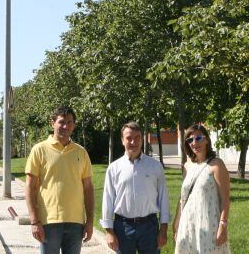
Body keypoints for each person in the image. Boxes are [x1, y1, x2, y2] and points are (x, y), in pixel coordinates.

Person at [26, 106, 95, 254]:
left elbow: (88, 188)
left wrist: (89, 221)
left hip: (76, 223)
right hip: (49, 222)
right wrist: (34, 221)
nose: (65, 126)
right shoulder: (39, 150)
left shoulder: (81, 152)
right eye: (61, 122)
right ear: (52, 123)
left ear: (74, 125)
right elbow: (30, 188)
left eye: (70, 122)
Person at [100, 122, 170, 253]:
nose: (133, 142)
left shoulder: (155, 166)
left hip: (150, 227)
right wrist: (109, 231)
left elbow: (163, 198)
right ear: (122, 140)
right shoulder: (114, 168)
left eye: (137, 138)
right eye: (129, 138)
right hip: (123, 228)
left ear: (142, 139)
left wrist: (163, 230)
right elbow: (107, 200)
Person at [173, 123, 231, 254]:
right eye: (190, 140)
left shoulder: (216, 165)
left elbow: (225, 199)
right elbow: (183, 198)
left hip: (208, 223)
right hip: (187, 223)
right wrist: (176, 224)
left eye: (198, 138)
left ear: (207, 140)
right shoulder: (187, 166)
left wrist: (223, 225)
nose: (194, 142)